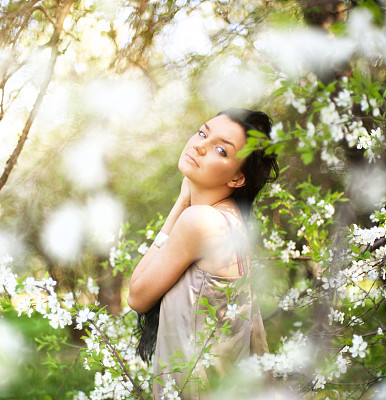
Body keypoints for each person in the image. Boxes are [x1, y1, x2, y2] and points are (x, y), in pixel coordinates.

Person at [128, 108, 279, 399]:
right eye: (202, 133)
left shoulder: (200, 221)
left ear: (237, 178)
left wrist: (181, 203)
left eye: (220, 150)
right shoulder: (234, 221)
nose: (199, 145)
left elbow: (136, 296)